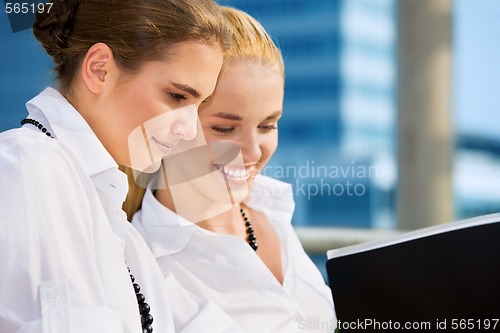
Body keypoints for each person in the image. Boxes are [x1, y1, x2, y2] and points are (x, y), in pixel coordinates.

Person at [0, 0, 230, 332]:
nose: (190, 129)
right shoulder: (30, 167)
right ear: (99, 69)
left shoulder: (117, 225)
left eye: (200, 104)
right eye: (177, 97)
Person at [126, 6, 337, 333]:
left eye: (267, 126)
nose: (253, 152)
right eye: (225, 129)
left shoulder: (274, 215)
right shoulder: (142, 268)